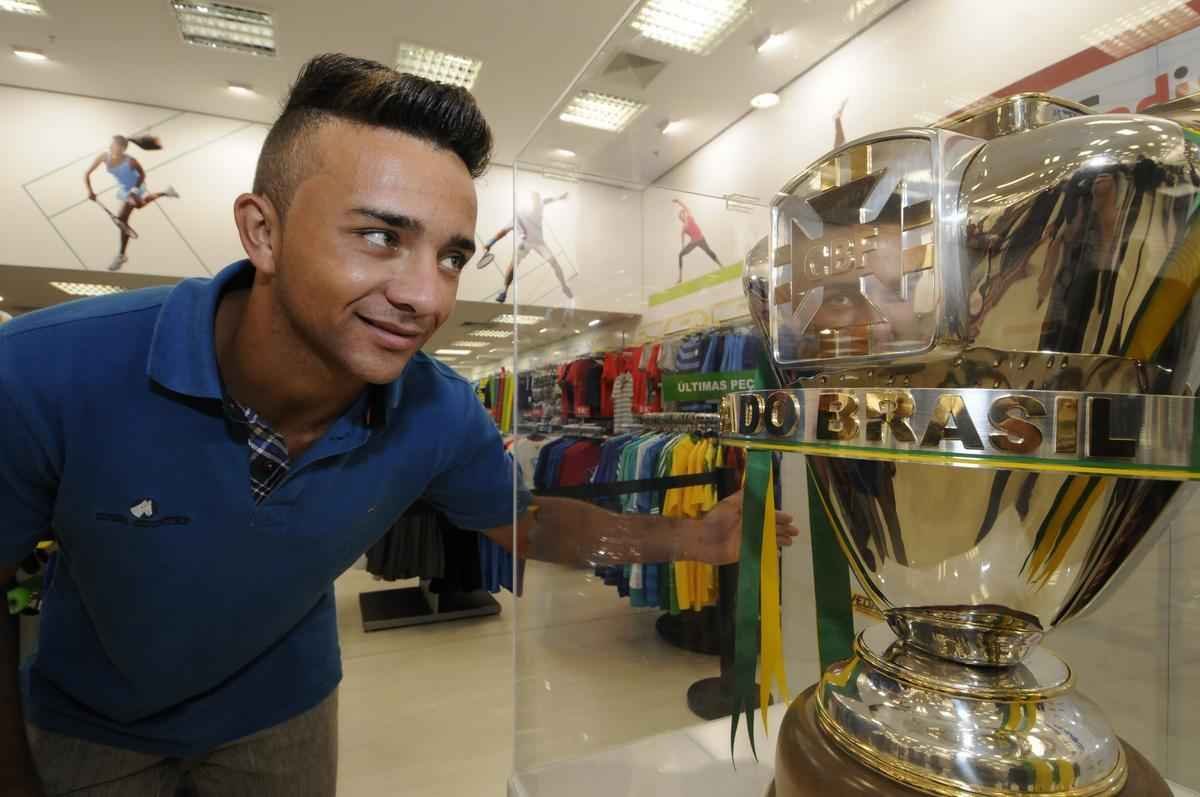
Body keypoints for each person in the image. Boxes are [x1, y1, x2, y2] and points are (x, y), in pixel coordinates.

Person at [0, 54, 798, 797]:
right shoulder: (49, 372)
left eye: (452, 256)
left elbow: (523, 522)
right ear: (262, 230)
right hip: (87, 724)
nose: (429, 296)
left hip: (284, 711)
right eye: (382, 236)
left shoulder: (436, 409)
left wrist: (688, 541)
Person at [84, 135, 180, 272]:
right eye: (111, 144)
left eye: (114, 145)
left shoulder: (131, 161)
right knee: (140, 205)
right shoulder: (104, 157)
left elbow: (142, 175)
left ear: (122, 148)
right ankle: (166, 192)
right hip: (124, 188)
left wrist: (134, 191)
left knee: (122, 218)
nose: (111, 147)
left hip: (136, 187)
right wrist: (90, 192)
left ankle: (121, 255)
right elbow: (87, 174)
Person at [482, 190, 573, 303]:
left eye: (537, 199)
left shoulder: (539, 205)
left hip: (540, 244)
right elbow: (503, 232)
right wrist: (490, 243)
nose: (537, 202)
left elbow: (546, 201)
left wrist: (559, 197)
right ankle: (504, 291)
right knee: (513, 264)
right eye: (535, 199)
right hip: (525, 244)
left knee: (555, 265)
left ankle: (564, 286)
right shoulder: (519, 216)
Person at [673, 198, 722, 283]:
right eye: (681, 215)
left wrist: (678, 201)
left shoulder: (690, 217)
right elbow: (682, 239)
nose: (683, 215)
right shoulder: (683, 228)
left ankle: (721, 266)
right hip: (694, 242)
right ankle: (680, 278)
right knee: (680, 255)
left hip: (701, 239)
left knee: (709, 252)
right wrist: (683, 246)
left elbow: (685, 207)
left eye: (683, 213)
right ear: (680, 218)